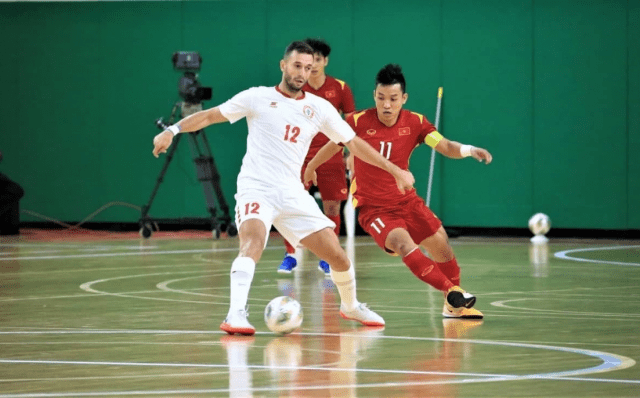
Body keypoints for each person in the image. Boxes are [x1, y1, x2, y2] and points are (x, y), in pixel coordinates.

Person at [152, 42, 415, 335]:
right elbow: (210, 115)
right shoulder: (257, 97)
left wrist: (394, 170)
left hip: (291, 193)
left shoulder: (319, 108)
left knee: (338, 257)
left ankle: (350, 306)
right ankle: (235, 314)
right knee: (253, 243)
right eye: (297, 66)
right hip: (257, 188)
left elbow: (354, 144)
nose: (303, 73)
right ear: (283, 65)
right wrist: (172, 131)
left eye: (308, 68)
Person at [304, 64, 492, 319]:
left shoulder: (415, 122)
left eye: (393, 99)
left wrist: (469, 150)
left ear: (404, 98)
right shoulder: (357, 121)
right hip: (374, 208)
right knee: (403, 243)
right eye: (381, 98)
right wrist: (312, 165)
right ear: (374, 96)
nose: (387, 105)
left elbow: (445, 145)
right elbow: (333, 144)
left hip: (407, 201)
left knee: (441, 243)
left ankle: (452, 308)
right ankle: (453, 293)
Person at [278, 38, 356, 276]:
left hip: (331, 156)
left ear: (325, 61)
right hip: (299, 156)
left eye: (318, 60)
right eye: (309, 62)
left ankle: (328, 257)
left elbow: (351, 123)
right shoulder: (295, 86)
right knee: (291, 204)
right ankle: (291, 254)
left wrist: (351, 154)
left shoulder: (340, 88)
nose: (313, 66)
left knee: (332, 205)